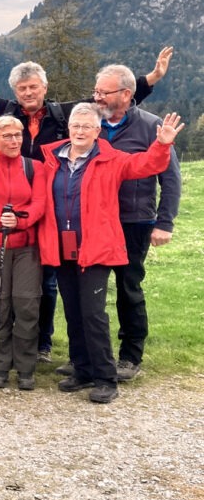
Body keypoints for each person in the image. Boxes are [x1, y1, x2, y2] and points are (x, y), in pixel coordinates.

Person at [0, 29, 170, 363]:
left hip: (52, 208)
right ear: (15, 92)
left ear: (44, 88)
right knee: (19, 286)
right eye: (22, 88)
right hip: (9, 211)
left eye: (33, 86)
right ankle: (11, 349)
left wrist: (149, 79)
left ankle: (42, 345)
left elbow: (107, 100)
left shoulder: (62, 114)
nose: (28, 92)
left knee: (46, 283)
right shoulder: (6, 111)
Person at [38, 104, 182, 403]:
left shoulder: (112, 159)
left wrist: (163, 143)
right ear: (70, 128)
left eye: (86, 127)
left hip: (97, 246)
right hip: (62, 245)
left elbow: (147, 165)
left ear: (97, 131)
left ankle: (106, 378)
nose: (79, 131)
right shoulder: (52, 158)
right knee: (73, 310)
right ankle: (83, 368)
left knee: (93, 313)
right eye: (75, 126)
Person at [92, 64, 182, 382]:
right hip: (95, 222)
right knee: (92, 290)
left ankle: (130, 356)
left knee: (129, 288)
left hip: (135, 222)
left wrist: (165, 223)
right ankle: (90, 357)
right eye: (96, 91)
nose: (97, 97)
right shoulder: (91, 124)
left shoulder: (151, 126)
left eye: (104, 92)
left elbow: (170, 179)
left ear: (126, 94)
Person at [0, 85, 47, 390]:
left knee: (27, 307)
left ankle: (25, 367)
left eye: (18, 135)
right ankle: (0, 364)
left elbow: (40, 203)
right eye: (8, 136)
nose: (15, 141)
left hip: (27, 246)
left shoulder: (35, 167)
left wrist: (20, 219)